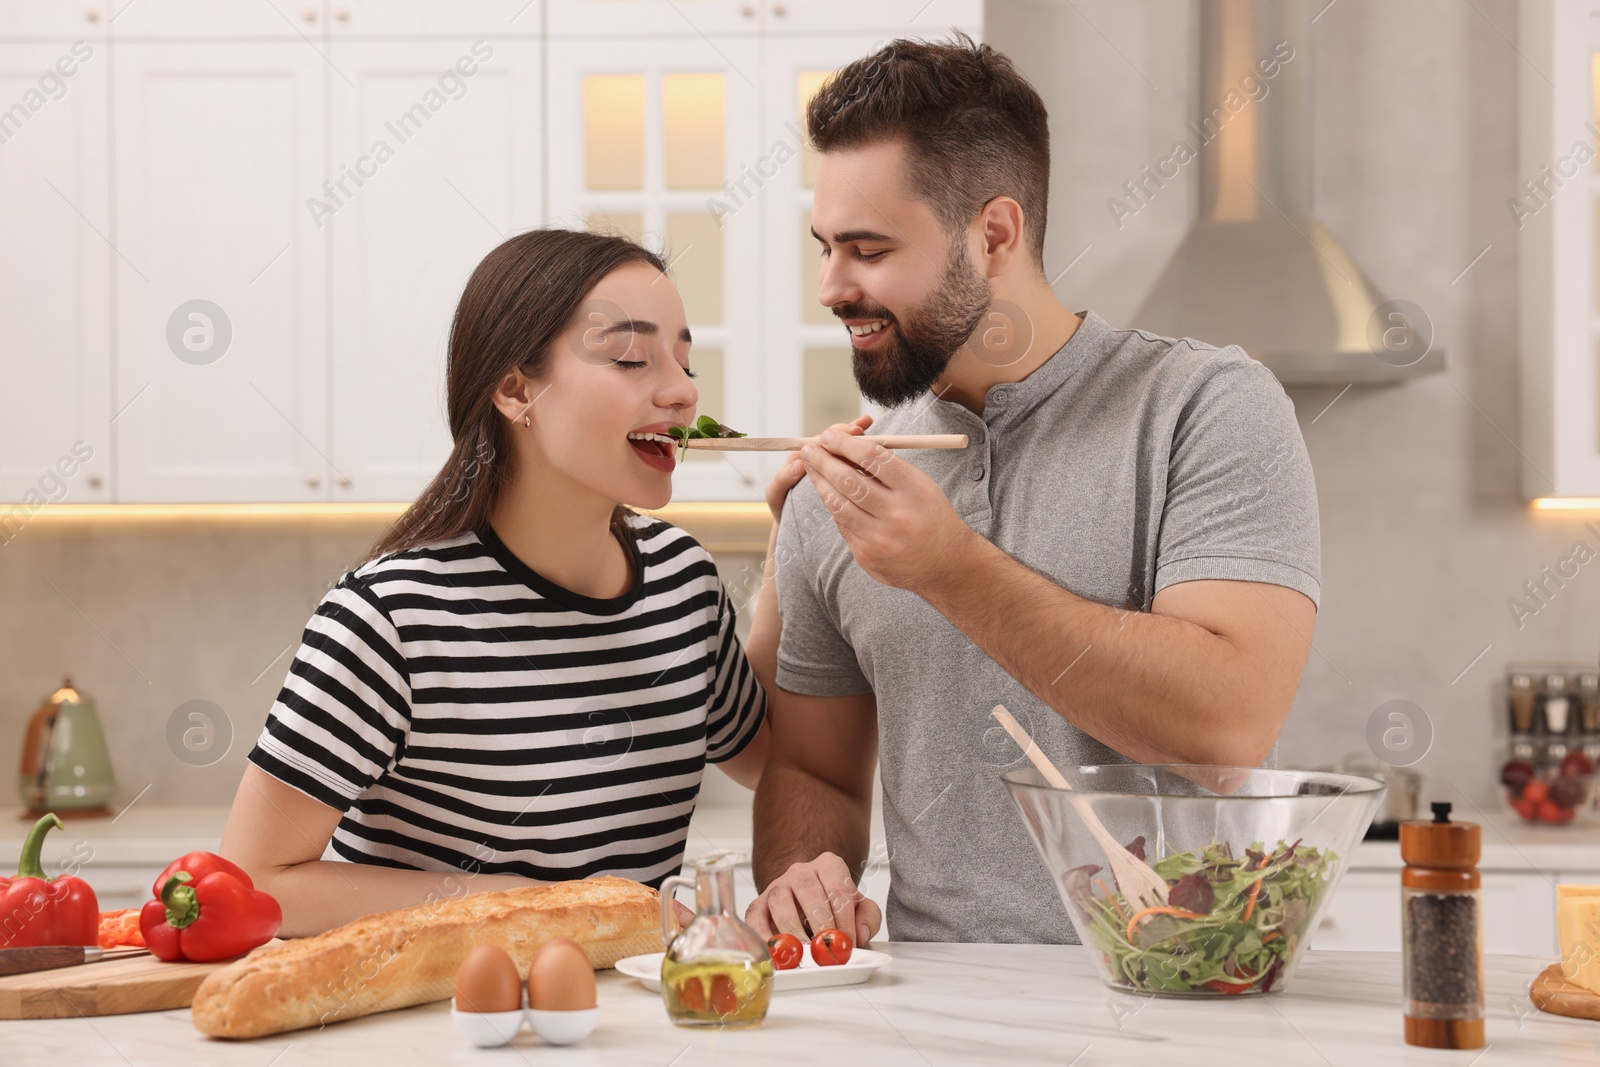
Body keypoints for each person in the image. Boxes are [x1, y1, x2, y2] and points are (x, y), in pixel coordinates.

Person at [744, 35, 1321, 946]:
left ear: (996, 234)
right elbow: (814, 772)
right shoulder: (839, 494)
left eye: (867, 249)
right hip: (931, 1015)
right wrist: (799, 881)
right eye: (825, 248)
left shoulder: (1204, 408)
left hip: (1184, 995)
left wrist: (951, 567)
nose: (831, 287)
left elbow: (1226, 729)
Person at [220, 229, 788, 936]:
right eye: (632, 357)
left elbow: (775, 759)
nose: (681, 390)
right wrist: (524, 904)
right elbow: (251, 881)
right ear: (518, 390)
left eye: (684, 359)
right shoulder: (391, 620)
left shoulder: (683, 584)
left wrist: (796, 538)